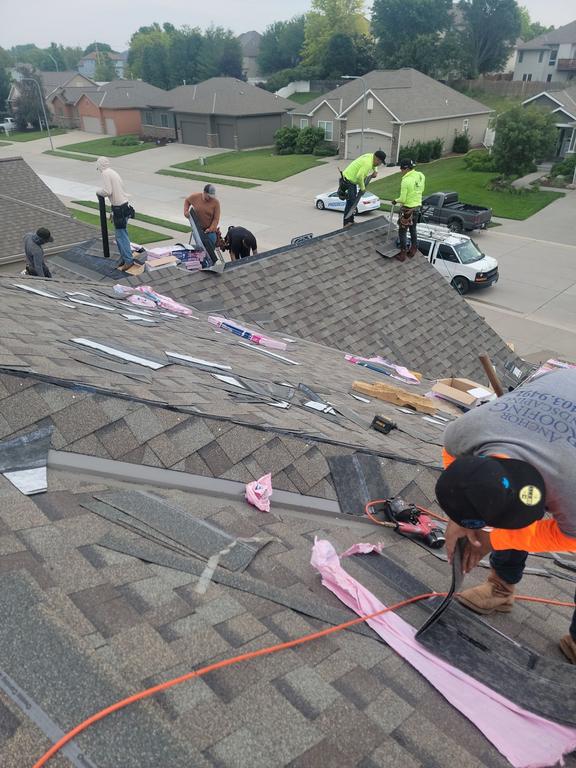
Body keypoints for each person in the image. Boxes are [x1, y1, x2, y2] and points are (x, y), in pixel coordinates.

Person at [435, 367, 576, 663]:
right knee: (502, 507)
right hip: (557, 397)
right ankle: (502, 587)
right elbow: (459, 470)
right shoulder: (464, 432)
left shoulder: (571, 488)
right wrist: (460, 514)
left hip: (567, 466)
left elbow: (569, 539)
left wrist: (495, 538)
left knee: (514, 518)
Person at [95, 156, 135, 271]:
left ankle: (128, 260)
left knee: (121, 236)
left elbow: (107, 191)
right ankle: (124, 258)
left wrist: (98, 192)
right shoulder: (112, 172)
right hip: (122, 207)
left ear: (100, 166)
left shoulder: (106, 173)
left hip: (120, 209)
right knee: (121, 235)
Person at [341, 150, 387, 228]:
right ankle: (346, 223)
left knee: (353, 201)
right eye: (380, 163)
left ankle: (351, 221)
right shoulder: (367, 164)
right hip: (348, 180)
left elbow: (374, 164)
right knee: (351, 202)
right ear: (377, 159)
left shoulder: (371, 156)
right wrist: (362, 188)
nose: (379, 164)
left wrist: (375, 171)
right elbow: (359, 177)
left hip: (352, 180)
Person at [391, 158, 426, 262]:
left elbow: (403, 199)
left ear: (406, 169)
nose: (401, 171)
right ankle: (414, 248)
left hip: (408, 209)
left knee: (402, 231)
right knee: (413, 228)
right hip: (417, 207)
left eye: (401, 169)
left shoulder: (406, 181)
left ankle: (403, 253)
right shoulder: (420, 175)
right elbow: (422, 189)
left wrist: (395, 200)